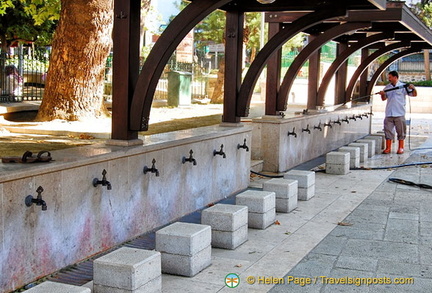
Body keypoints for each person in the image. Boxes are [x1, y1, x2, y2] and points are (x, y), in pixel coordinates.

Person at [379, 70, 417, 154]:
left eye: (390, 77)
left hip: (399, 113)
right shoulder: (387, 87)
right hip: (389, 113)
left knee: (401, 131)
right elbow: (384, 99)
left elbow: (414, 94)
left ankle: (401, 148)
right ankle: (388, 148)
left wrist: (413, 88)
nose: (389, 79)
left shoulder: (403, 86)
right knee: (388, 131)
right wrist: (382, 94)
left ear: (395, 77)